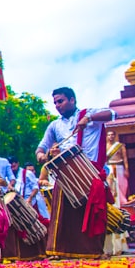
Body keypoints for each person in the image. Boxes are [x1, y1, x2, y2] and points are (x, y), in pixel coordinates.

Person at [35, 87, 114, 259]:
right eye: (55, 102)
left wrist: (89, 118)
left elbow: (112, 114)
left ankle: (93, 252)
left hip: (90, 171)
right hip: (65, 173)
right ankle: (60, 251)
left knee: (92, 213)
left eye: (61, 101)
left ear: (72, 100)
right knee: (62, 215)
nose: (57, 105)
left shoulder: (89, 114)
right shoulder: (54, 125)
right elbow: (41, 149)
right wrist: (44, 155)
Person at [105, 131, 129, 206]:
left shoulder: (120, 146)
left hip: (119, 167)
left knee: (121, 184)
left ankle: (122, 201)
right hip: (109, 167)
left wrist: (126, 169)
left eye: (112, 135)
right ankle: (112, 201)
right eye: (109, 135)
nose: (111, 136)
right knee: (110, 184)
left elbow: (125, 158)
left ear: (115, 136)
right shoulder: (104, 146)